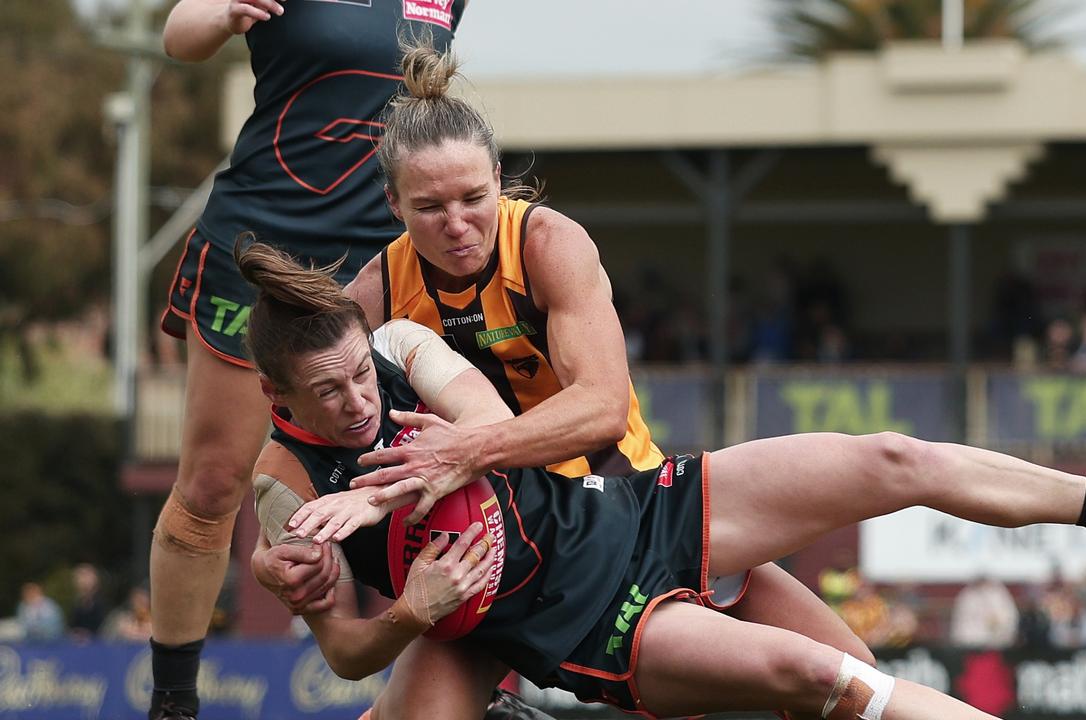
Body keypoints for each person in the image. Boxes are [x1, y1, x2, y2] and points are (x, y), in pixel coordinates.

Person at [241, 239, 1086, 719]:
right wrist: (411, 608)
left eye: (359, 372)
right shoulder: (281, 489)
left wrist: (385, 485)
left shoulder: (398, 345)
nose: (359, 401)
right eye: (330, 395)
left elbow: (501, 431)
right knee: (821, 678)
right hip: (586, 621)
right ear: (281, 393)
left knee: (889, 457)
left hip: (637, 509)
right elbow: (353, 650)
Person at [259, 41, 877, 703]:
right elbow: (301, 440)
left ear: (498, 177)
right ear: (393, 205)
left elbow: (602, 410)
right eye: (429, 209)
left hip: (627, 514)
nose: (458, 225)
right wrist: (272, 557)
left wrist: (467, 449)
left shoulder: (546, 244)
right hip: (490, 557)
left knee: (849, 678)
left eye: (473, 197)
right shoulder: (374, 299)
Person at [150, 2, 540, 720]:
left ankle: (477, 696)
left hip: (386, 256)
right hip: (264, 241)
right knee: (210, 485)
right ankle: (173, 703)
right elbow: (180, 35)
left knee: (451, 464)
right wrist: (224, 10)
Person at [68, 563, 107, 641]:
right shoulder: (76, 604)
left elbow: (102, 628)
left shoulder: (99, 604)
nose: (83, 581)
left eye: (86, 577)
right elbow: (72, 627)